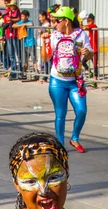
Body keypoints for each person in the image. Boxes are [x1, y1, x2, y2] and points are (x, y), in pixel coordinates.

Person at [41, 6, 93, 153]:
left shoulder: (81, 35)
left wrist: (87, 53)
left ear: (67, 21)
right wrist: (43, 43)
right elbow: (45, 58)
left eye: (57, 20)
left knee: (82, 110)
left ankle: (74, 138)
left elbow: (90, 55)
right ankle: (60, 143)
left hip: (75, 81)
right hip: (57, 81)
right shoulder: (54, 36)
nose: (55, 23)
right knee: (60, 114)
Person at [13, 9, 36, 77]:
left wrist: (24, 25)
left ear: (27, 17)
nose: (22, 17)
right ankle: (24, 73)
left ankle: (36, 72)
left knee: (33, 59)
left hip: (31, 43)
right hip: (24, 44)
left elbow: (31, 24)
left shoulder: (30, 21)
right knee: (25, 60)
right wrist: (21, 25)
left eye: (23, 16)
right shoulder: (20, 22)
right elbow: (14, 25)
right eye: (21, 16)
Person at [3, 0, 22, 80]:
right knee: (11, 54)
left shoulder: (18, 11)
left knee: (18, 54)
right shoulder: (8, 11)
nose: (11, 6)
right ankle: (13, 72)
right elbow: (6, 19)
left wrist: (12, 19)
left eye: (12, 5)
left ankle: (20, 71)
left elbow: (19, 19)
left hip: (16, 34)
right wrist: (11, 19)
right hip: (8, 34)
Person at [83, 13, 99, 78]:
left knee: (95, 65)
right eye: (87, 21)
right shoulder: (90, 27)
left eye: (89, 21)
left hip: (94, 49)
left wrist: (83, 26)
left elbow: (86, 27)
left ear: (92, 20)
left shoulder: (94, 26)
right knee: (83, 62)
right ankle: (90, 72)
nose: (88, 22)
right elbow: (85, 27)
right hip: (90, 49)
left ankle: (95, 80)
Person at [38, 11, 51, 81]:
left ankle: (48, 74)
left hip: (47, 43)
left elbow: (48, 32)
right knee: (44, 59)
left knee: (47, 60)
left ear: (44, 16)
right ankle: (45, 74)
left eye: (40, 17)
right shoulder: (43, 25)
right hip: (42, 43)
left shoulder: (48, 24)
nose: (39, 19)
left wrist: (42, 31)